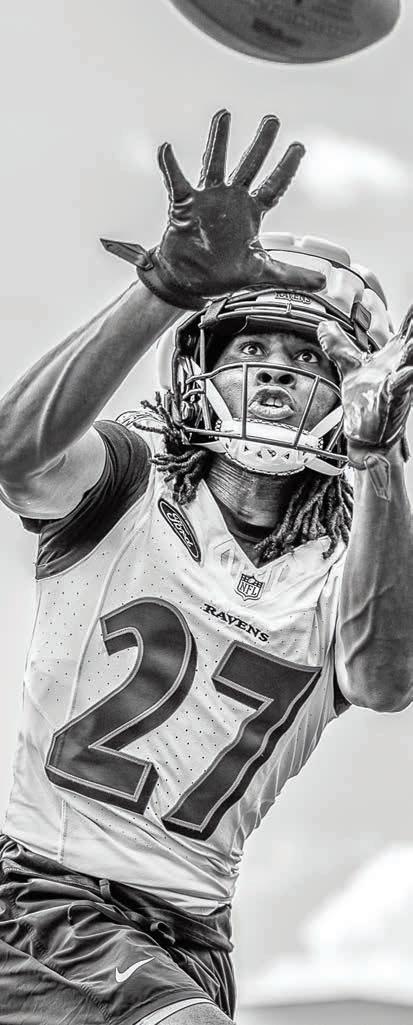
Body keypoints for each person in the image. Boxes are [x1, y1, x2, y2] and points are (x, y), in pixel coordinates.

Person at [0, 109, 412, 1025]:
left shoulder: (355, 563)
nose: (276, 371)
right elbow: (15, 452)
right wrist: (165, 286)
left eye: (305, 356)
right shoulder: (127, 481)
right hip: (45, 899)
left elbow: (384, 681)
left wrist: (381, 458)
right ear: (196, 369)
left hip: (194, 938)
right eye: (249, 348)